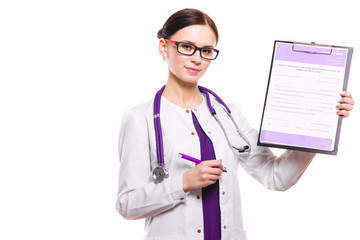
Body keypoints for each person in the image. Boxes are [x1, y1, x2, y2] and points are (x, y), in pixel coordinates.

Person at [115, 8, 355, 240]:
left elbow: (276, 176)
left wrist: (319, 122)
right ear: (163, 47)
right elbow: (127, 204)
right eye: (187, 47)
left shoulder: (227, 114)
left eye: (206, 50)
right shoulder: (140, 119)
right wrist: (183, 183)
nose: (197, 59)